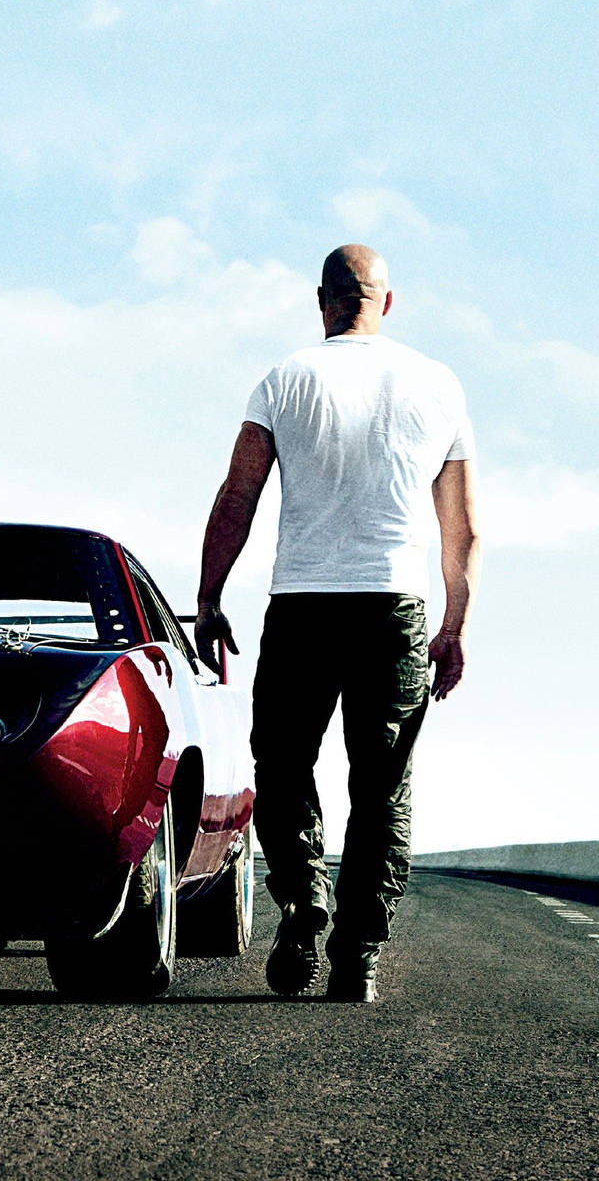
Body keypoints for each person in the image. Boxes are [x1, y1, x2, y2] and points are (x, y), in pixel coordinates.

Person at [193, 244, 479, 1003]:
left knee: (282, 766)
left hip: (303, 606)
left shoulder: (284, 379)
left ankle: (302, 900)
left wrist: (210, 598)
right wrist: (452, 626)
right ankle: (359, 955)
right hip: (393, 609)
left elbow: (237, 497)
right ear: (387, 302)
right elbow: (464, 531)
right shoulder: (437, 384)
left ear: (321, 300)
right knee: (382, 784)